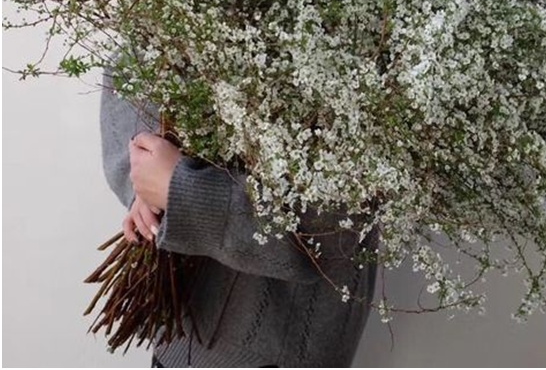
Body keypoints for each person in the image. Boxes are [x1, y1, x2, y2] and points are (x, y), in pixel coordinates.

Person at [100, 63, 378, 367]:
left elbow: (326, 236)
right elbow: (129, 67)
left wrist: (183, 193)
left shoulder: (367, 71)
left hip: (280, 350)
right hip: (182, 334)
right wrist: (146, 179)